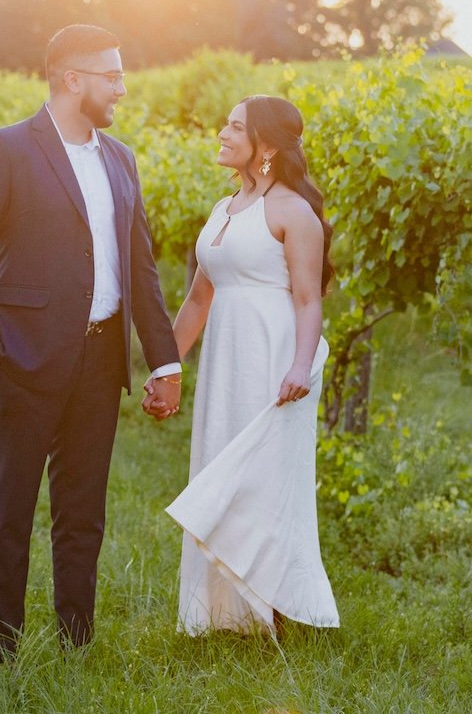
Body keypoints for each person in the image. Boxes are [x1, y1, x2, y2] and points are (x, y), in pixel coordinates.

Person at [0, 24, 182, 658]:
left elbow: (142, 269)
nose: (122, 89)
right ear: (74, 80)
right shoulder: (8, 149)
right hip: (22, 358)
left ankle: (77, 646)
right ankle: (0, 653)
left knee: (83, 515)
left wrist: (164, 360)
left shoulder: (121, 158)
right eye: (113, 76)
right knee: (12, 512)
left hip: (102, 360)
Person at [154, 95, 340, 636]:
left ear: (266, 145)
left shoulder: (292, 211)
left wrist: (301, 367)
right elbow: (197, 302)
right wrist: (167, 367)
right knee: (222, 463)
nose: (223, 132)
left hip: (274, 355)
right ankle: (224, 613)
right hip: (226, 359)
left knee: (265, 479)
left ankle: (274, 614)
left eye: (236, 126)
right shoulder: (224, 208)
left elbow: (309, 299)